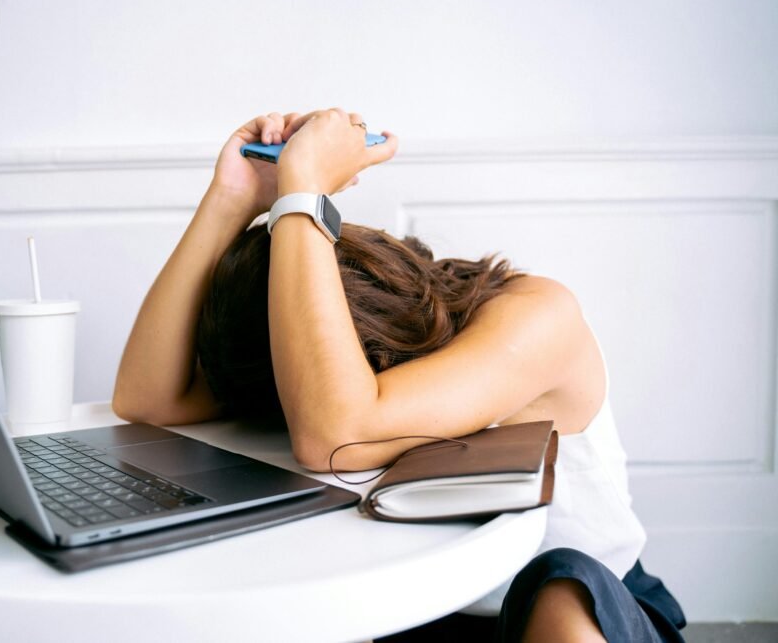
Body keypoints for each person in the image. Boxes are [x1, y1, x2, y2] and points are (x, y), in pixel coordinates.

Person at [112, 109, 686, 642]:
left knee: (561, 586)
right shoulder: (306, 373)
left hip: (582, 612)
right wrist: (233, 198)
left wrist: (305, 189)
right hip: (422, 608)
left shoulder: (538, 315)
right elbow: (148, 398)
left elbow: (337, 435)